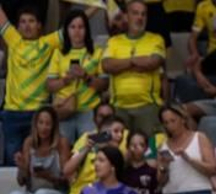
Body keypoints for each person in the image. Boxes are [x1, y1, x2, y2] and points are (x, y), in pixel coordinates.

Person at [103, 1, 166, 139]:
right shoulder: (114, 41)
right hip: (119, 107)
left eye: (143, 14)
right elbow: (107, 65)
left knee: (150, 152)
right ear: (126, 16)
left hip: (148, 107)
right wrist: (133, 61)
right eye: (135, 13)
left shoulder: (156, 39)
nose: (140, 17)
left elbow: (153, 63)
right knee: (119, 153)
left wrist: (121, 65)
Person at [49, 10, 107, 145]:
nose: (77, 31)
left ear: (87, 29)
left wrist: (86, 76)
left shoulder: (97, 52)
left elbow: (105, 84)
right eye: (72, 27)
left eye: (81, 27)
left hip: (89, 111)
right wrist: (65, 80)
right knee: (63, 151)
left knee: (92, 150)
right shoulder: (58, 53)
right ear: (66, 30)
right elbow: (49, 85)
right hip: (64, 111)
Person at [9, 108, 70, 194]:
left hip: (58, 193)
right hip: (33, 192)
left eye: (48, 124)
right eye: (41, 123)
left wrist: (48, 177)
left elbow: (67, 180)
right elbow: (22, 182)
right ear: (35, 124)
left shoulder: (61, 143)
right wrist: (22, 168)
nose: (44, 127)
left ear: (54, 126)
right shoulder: (29, 142)